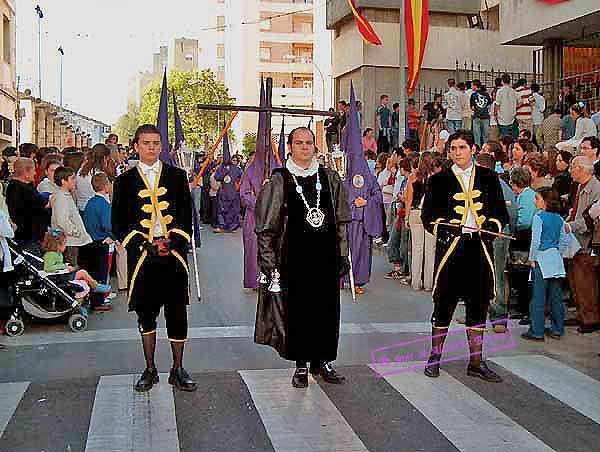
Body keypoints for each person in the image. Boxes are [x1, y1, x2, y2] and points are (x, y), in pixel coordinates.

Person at [254, 126, 352, 388]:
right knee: (297, 312)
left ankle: (322, 361)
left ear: (315, 147)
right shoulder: (280, 180)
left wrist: (343, 254)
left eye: (309, 143)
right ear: (290, 146)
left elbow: (341, 221)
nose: (305, 147)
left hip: (325, 259)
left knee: (326, 312)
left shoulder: (329, 177)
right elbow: (266, 228)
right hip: (292, 260)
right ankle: (300, 365)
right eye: (299, 143)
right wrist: (268, 262)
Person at [112, 124, 196, 392]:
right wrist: (143, 245)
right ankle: (150, 369)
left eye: (156, 143)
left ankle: (177, 368)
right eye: (146, 143)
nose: (151, 147)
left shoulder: (177, 176)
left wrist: (175, 241)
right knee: (146, 314)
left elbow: (185, 215)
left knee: (177, 313)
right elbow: (119, 223)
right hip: (142, 257)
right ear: (136, 146)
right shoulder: (123, 181)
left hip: (173, 255)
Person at [421, 130, 508, 382]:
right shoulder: (439, 181)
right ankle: (435, 357)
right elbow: (429, 217)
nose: (456, 152)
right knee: (444, 305)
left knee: (478, 304)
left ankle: (476, 362)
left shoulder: (489, 178)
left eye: (461, 147)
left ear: (473, 149)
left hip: (479, 249)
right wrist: (448, 227)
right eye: (453, 148)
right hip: (451, 249)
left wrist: (491, 227)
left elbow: (500, 213)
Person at [521, 188, 568, 341]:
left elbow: (535, 241)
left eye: (537, 198)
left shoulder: (538, 217)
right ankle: (557, 329)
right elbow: (564, 240)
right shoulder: (560, 219)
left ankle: (537, 331)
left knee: (538, 297)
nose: (535, 201)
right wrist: (558, 254)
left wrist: (532, 258)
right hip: (555, 258)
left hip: (541, 258)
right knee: (556, 296)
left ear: (545, 201)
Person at [564, 156, 600, 333]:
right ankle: (581, 315)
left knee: (586, 283)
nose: (570, 170)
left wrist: (569, 225)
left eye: (572, 167)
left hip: (586, 243)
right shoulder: (579, 186)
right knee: (575, 282)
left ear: (581, 169)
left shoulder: (596, 188)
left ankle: (590, 318)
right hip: (575, 241)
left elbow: (590, 219)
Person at [82, 173, 116, 311]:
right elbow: (108, 224)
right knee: (101, 272)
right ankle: (99, 301)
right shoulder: (104, 204)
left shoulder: (90, 203)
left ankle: (91, 298)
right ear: (106, 186)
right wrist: (113, 235)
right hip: (101, 241)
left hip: (90, 240)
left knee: (93, 271)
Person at [41, 229, 111, 294]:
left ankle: (79, 301)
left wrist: (67, 266)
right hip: (58, 278)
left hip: (61, 276)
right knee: (83, 273)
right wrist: (65, 266)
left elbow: (56, 265)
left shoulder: (57, 254)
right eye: (64, 244)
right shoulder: (50, 255)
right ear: (57, 245)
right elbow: (48, 268)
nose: (65, 246)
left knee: (83, 280)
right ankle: (95, 286)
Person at [508, 167, 537, 323]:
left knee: (522, 276)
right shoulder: (528, 194)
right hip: (525, 239)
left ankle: (526, 310)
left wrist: (513, 227)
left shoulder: (526, 196)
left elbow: (524, 221)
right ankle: (522, 308)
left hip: (524, 239)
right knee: (521, 277)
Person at [5, 158, 50, 251]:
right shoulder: (22, 189)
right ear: (26, 172)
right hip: (28, 236)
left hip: (26, 234)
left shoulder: (16, 186)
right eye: (33, 170)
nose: (35, 173)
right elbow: (42, 204)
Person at [405, 152, 435, 291]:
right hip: (430, 214)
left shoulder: (412, 177)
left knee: (417, 249)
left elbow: (408, 199)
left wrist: (406, 217)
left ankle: (416, 282)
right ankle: (429, 283)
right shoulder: (435, 178)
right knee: (430, 250)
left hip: (415, 212)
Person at [214, 134, 243, 233]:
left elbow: (242, 180)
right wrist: (224, 171)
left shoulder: (237, 169)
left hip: (233, 193)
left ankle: (232, 226)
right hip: (223, 192)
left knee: (233, 210)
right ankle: (221, 226)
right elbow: (216, 177)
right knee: (221, 210)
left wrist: (238, 189)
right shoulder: (221, 168)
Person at [76, 143, 112, 212]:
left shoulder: (81, 170)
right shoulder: (99, 175)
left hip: (81, 208)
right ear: (105, 158)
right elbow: (106, 197)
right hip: (96, 210)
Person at [495, 73, 518, 139]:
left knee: (504, 138)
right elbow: (517, 103)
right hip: (512, 117)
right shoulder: (514, 91)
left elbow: (497, 104)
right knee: (513, 137)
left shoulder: (500, 91)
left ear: (502, 81)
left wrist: (495, 114)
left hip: (502, 118)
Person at [470, 80, 492, 147]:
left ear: (475, 86)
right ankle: (485, 149)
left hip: (477, 117)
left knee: (477, 136)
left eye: (472, 85)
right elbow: (489, 105)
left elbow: (472, 107)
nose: (471, 87)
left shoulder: (473, 95)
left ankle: (477, 150)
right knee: (485, 136)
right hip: (485, 117)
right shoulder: (486, 94)